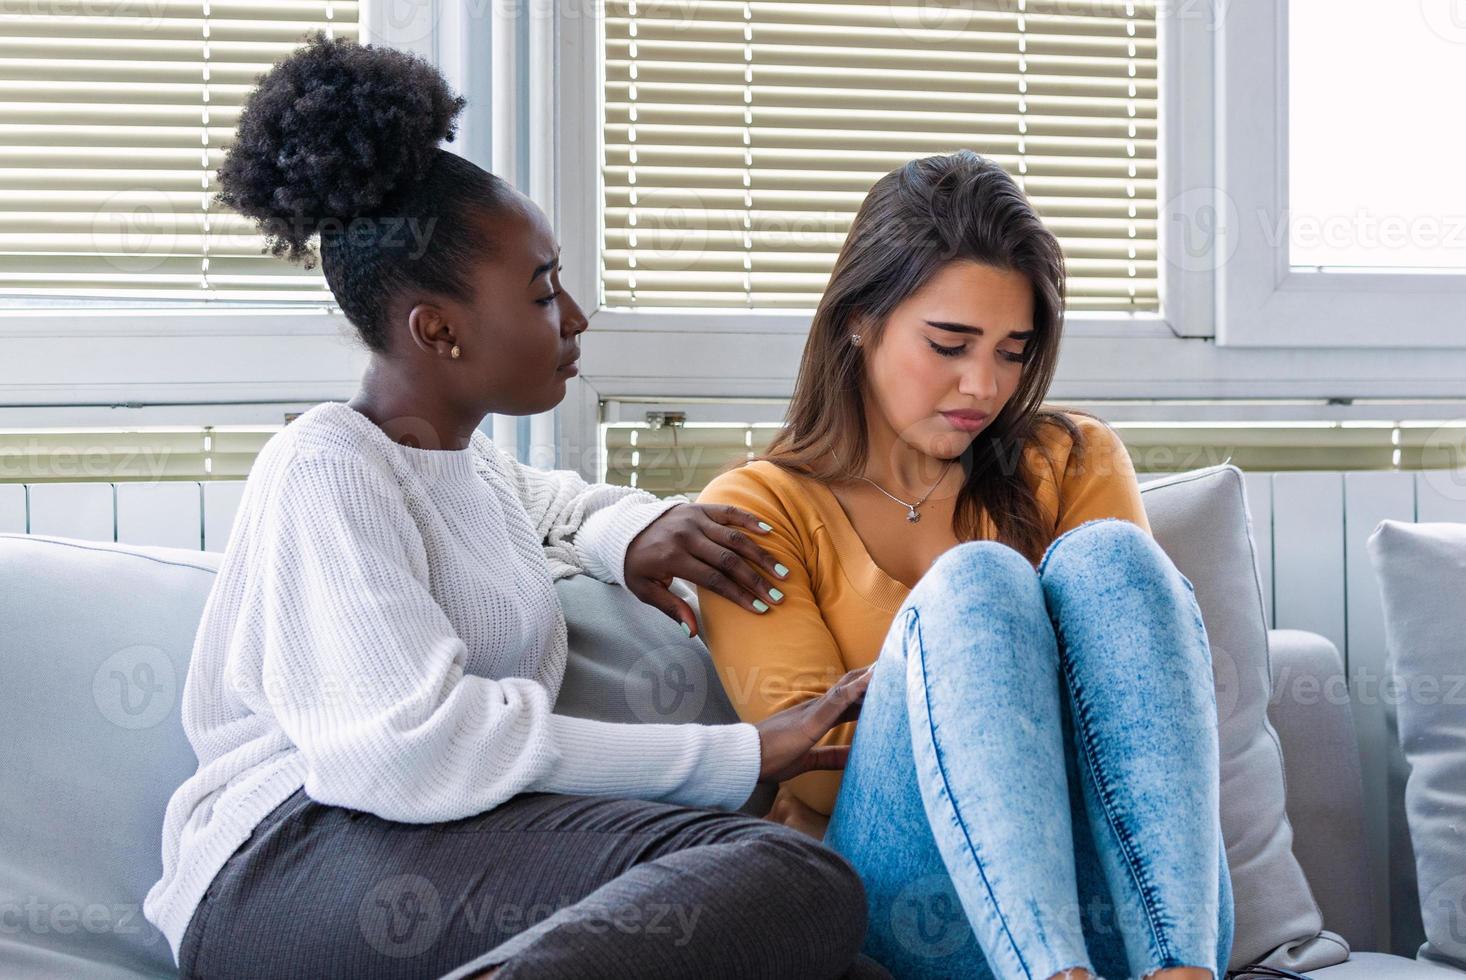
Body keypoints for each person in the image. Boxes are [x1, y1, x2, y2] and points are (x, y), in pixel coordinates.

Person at [141, 33, 890, 980]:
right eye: (542, 292)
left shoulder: (469, 467)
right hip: (282, 864)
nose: (574, 316)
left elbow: (553, 505)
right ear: (439, 331)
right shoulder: (324, 467)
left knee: (845, 966)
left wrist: (630, 533)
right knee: (791, 875)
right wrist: (739, 755)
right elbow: (411, 754)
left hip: (409, 851)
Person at [694, 150, 1235, 980]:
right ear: (858, 319)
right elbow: (822, 773)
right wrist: (971, 644)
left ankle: (1182, 971)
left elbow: (1136, 709)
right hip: (914, 901)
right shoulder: (759, 509)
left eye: (1013, 351)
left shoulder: (1072, 457)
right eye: (949, 344)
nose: (983, 385)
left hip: (1126, 904)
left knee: (1110, 557)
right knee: (979, 583)